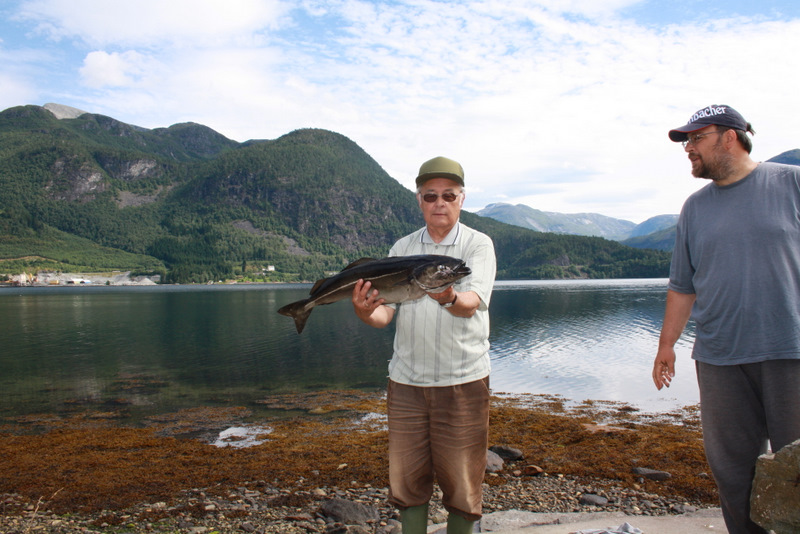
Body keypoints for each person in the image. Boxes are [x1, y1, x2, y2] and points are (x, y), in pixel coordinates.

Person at [652, 105, 800, 534]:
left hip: (790, 350)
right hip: (719, 359)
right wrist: (666, 345)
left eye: (696, 138)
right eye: (685, 141)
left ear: (730, 137)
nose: (688, 148)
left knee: (797, 467)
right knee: (733, 474)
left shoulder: (791, 183)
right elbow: (683, 286)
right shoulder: (694, 208)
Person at [351, 156, 496, 534]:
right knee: (407, 483)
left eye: (449, 195)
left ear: (462, 199)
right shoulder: (402, 247)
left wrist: (448, 296)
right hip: (406, 384)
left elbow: (471, 303)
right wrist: (366, 311)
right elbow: (385, 314)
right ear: (420, 200)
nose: (439, 203)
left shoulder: (478, 245)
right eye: (431, 196)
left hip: (462, 381)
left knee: (463, 486)